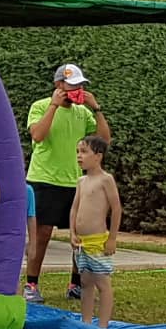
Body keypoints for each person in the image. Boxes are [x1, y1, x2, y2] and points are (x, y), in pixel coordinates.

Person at [24, 63, 112, 304]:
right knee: (41, 234)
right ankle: (31, 285)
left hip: (75, 182)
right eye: (72, 86)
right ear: (58, 85)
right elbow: (38, 135)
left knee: (80, 234)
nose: (76, 90)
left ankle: (76, 285)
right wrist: (53, 105)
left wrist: (96, 109)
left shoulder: (83, 112)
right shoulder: (40, 106)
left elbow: (104, 141)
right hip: (44, 179)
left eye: (80, 86)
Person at [69, 136, 121, 329]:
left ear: (98, 156)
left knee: (102, 282)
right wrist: (72, 232)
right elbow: (74, 208)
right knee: (85, 281)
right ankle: (86, 321)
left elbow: (116, 208)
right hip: (82, 242)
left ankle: (103, 325)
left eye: (84, 152)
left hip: (98, 241)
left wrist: (112, 238)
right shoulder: (81, 181)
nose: (79, 156)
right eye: (77, 152)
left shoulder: (106, 180)